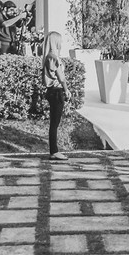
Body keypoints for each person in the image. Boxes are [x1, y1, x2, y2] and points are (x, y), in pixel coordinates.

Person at [42, 31, 73, 161]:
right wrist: (66, 90)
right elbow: (61, 77)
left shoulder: (48, 56)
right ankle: (54, 151)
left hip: (51, 91)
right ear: (56, 42)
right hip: (56, 91)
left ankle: (54, 151)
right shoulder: (53, 57)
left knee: (54, 123)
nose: (61, 43)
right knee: (55, 123)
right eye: (59, 41)